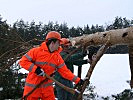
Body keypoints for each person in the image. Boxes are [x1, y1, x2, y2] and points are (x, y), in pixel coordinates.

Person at [19, 31, 84, 100]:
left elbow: (65, 72)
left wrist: (78, 80)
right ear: (52, 43)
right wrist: (36, 69)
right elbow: (23, 61)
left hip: (47, 88)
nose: (59, 45)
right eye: (58, 43)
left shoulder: (57, 57)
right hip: (32, 87)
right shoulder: (35, 51)